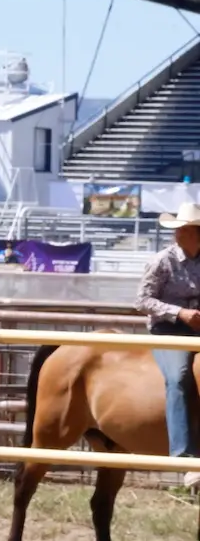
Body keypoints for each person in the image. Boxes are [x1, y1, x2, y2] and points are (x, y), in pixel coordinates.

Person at [135, 201, 200, 488]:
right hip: (168, 329)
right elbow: (142, 301)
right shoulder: (162, 260)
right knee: (178, 377)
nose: (181, 233)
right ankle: (184, 457)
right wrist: (180, 313)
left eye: (187, 229)